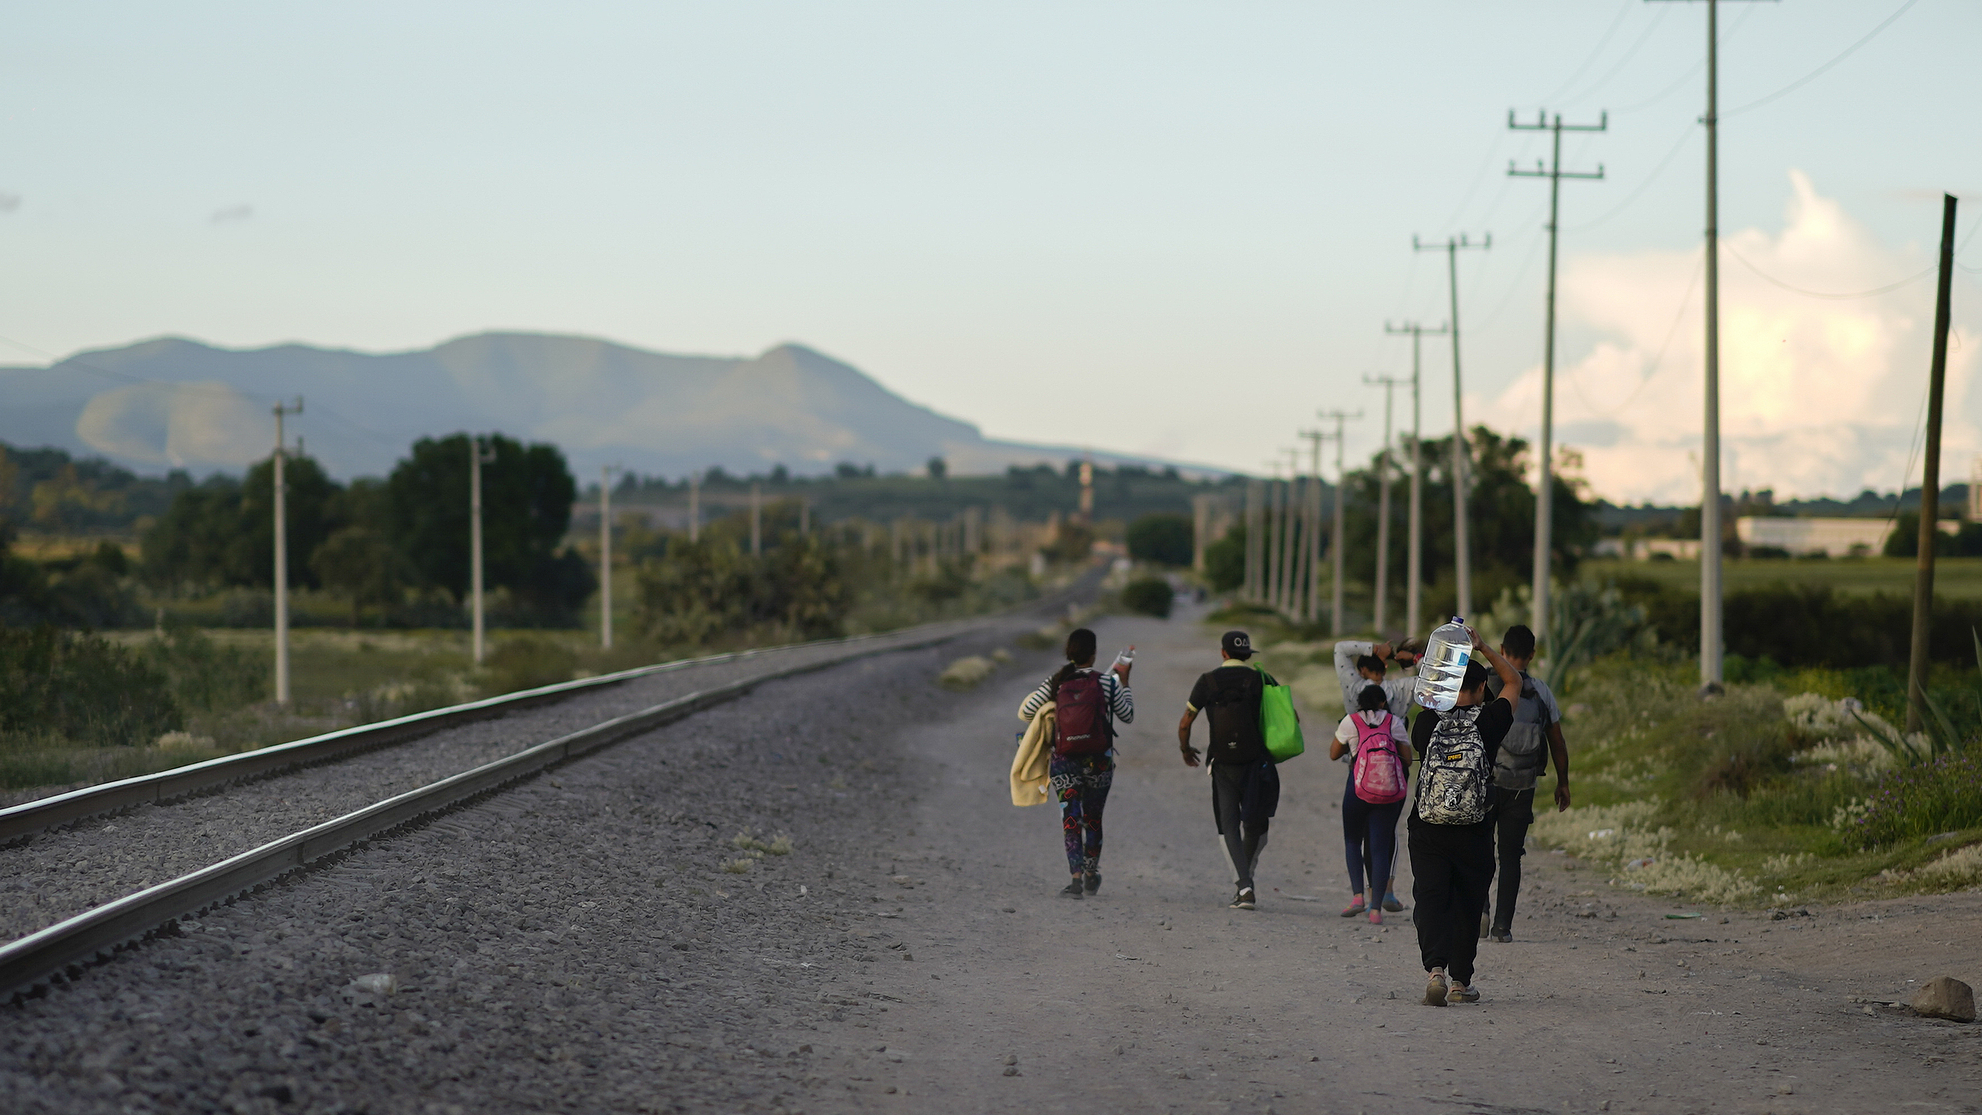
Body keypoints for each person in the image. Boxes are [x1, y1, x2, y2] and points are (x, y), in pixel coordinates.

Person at [1407, 627, 1521, 1007]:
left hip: (1428, 828)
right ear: (1478, 690)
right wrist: (1482, 646)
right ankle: (1460, 983)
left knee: (1431, 897)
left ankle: (1435, 970)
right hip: (1473, 829)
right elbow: (1513, 680)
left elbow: (1426, 698)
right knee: (1468, 903)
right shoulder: (1488, 723)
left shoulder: (1425, 724)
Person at [1017, 628, 1134, 898]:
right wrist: (1125, 683)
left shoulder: (1057, 681)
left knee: (1070, 817)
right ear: (1093, 654)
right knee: (1093, 818)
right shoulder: (1107, 682)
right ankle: (1092, 873)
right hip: (1099, 761)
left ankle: (1076, 879)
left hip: (1064, 759)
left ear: (1069, 652)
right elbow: (1127, 716)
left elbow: (1025, 712)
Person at [1479, 624, 1571, 943]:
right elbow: (1556, 741)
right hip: (1523, 785)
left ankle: (1481, 909)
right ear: (1532, 655)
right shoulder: (1541, 692)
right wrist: (1563, 783)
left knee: (1480, 848)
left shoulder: (1484, 684)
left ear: (1502, 650)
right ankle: (1502, 926)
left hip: (1485, 782)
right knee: (1511, 856)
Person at [1178, 630, 1280, 910]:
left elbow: (1186, 722)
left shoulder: (1207, 681)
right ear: (1247, 654)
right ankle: (1246, 878)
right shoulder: (1261, 678)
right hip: (1256, 762)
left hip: (1222, 763)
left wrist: (1185, 749)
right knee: (1257, 826)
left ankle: (1244, 885)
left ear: (1223, 653)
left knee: (1228, 826)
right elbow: (1288, 717)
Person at [1331, 638, 1420, 911]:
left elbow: (1340, 649)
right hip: (1394, 773)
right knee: (1385, 835)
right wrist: (1409, 664)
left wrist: (1378, 649)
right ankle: (1386, 893)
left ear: (1361, 670)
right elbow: (1431, 682)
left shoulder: (1353, 688)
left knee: (1354, 835)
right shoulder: (1401, 689)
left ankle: (1359, 895)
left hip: (1359, 772)